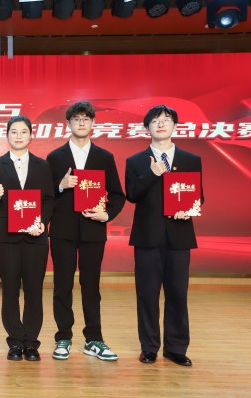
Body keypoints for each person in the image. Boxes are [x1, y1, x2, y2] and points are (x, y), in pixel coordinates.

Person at [46, 101, 126, 361]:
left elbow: (117, 194)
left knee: (91, 286)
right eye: (76, 119)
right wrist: (60, 185)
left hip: (93, 230)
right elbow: (45, 196)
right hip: (62, 231)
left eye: (86, 119)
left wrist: (107, 214)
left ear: (93, 123)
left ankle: (94, 338)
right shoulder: (55, 157)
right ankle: (63, 337)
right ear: (68, 123)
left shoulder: (104, 157)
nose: (81, 123)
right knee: (62, 285)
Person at [126, 105, 203, 367]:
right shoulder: (135, 161)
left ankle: (176, 348)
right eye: (155, 121)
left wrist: (189, 209)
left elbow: (198, 196)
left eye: (166, 120)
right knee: (147, 294)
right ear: (147, 127)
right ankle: (149, 348)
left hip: (179, 235)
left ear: (174, 126)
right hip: (147, 236)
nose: (161, 124)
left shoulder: (191, 159)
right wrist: (153, 172)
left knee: (178, 294)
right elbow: (132, 194)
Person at [0, 116, 55, 361]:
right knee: (10, 290)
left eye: (23, 132)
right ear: (7, 135)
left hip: (35, 236)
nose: (18, 136)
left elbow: (49, 199)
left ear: (31, 135)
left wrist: (42, 223)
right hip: (7, 237)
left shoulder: (42, 165)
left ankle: (31, 343)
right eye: (14, 131)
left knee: (34, 291)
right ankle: (15, 341)